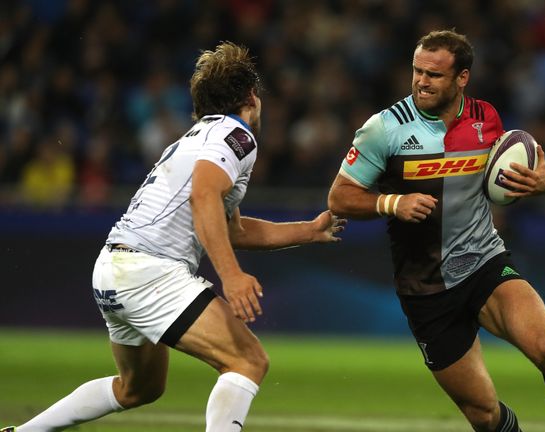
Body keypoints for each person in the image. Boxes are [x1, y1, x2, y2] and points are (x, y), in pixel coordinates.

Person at [2, 41, 345, 432]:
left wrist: (310, 230)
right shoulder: (237, 135)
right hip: (149, 271)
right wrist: (231, 276)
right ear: (252, 98)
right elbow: (203, 197)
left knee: (138, 388)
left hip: (113, 269)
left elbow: (232, 228)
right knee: (248, 360)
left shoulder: (197, 138)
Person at [327, 30, 545, 432]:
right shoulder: (384, 128)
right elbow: (339, 197)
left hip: (484, 263)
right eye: (417, 71)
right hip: (426, 288)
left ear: (462, 78)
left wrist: (541, 184)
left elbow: (507, 181)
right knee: (484, 413)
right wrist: (393, 202)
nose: (421, 81)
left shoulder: (486, 118)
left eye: (434, 75)